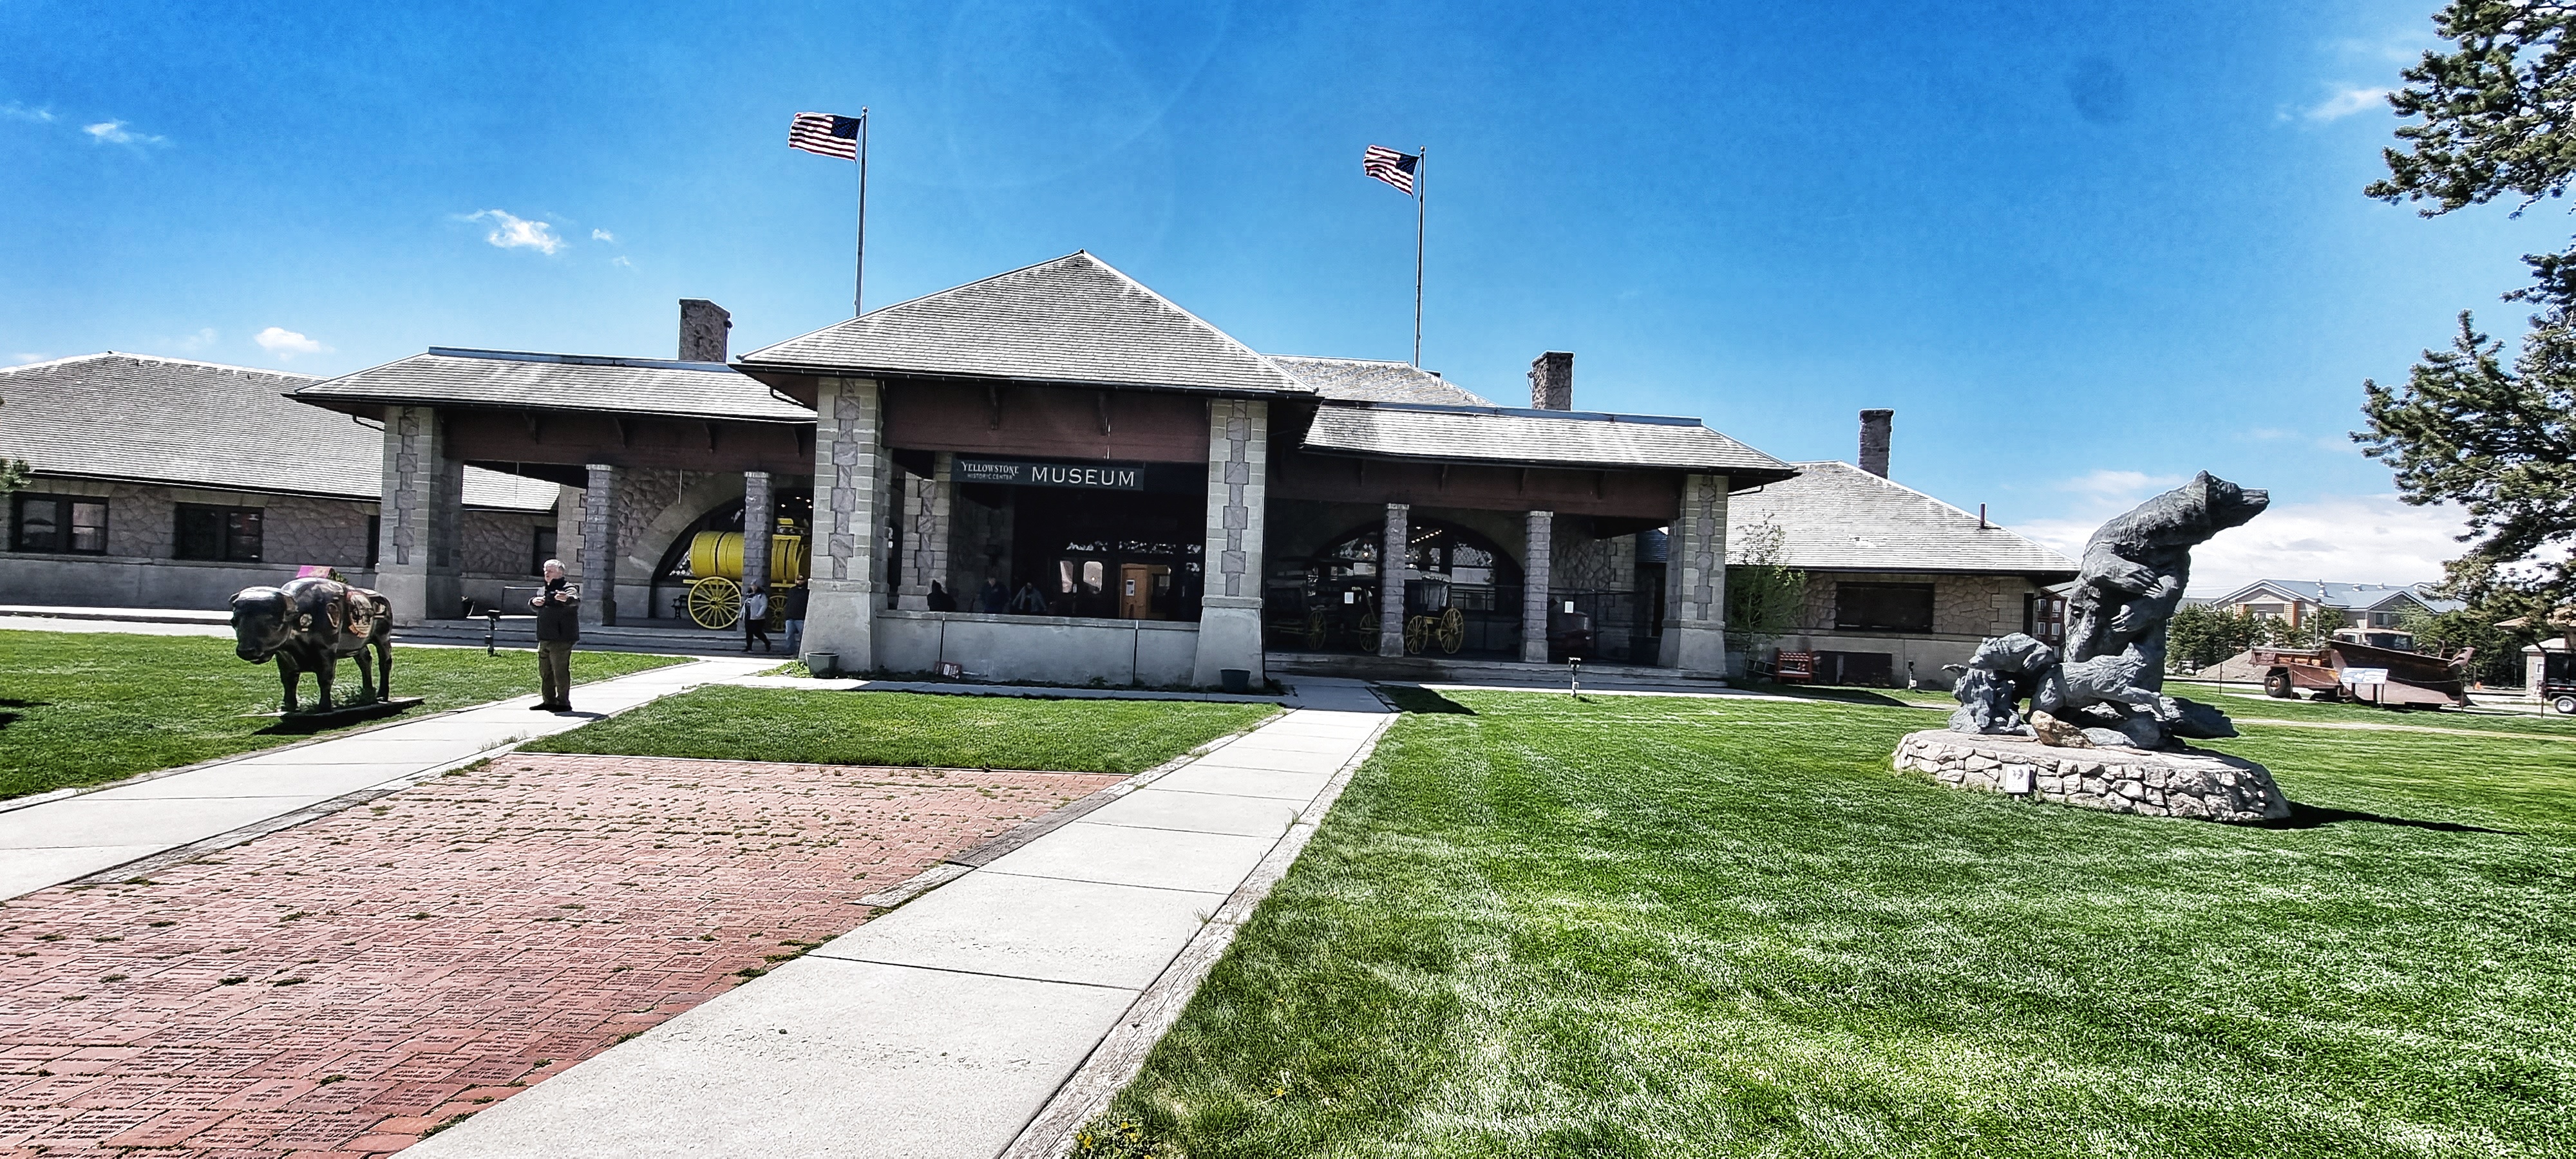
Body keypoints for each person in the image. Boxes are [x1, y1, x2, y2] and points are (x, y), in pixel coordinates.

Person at [529, 559, 579, 712]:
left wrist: (566, 599)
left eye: (550, 571)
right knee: (545, 672)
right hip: (544, 636)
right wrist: (533, 602)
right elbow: (536, 606)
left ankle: (563, 702)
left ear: (560, 573)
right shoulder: (543, 589)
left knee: (560, 671)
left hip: (562, 637)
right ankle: (548, 701)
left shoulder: (568, 588)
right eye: (545, 570)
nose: (547, 573)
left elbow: (574, 600)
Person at [743, 583, 772, 653]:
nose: (754, 587)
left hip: (758, 618)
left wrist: (759, 614)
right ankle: (749, 647)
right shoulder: (749, 595)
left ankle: (767, 642)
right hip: (748, 616)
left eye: (755, 586)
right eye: (752, 586)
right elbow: (745, 605)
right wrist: (741, 614)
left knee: (757, 632)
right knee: (748, 633)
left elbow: (764, 605)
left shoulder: (761, 595)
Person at [782, 584, 808, 655]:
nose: (799, 581)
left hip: (801, 617)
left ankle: (802, 651)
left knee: (802, 635)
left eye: (801, 580)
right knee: (789, 635)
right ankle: (790, 651)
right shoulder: (792, 590)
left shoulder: (807, 591)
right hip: (790, 617)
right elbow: (788, 603)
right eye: (798, 579)